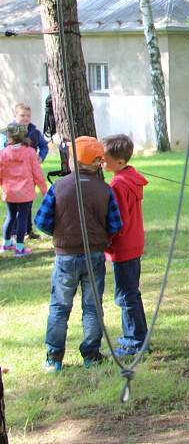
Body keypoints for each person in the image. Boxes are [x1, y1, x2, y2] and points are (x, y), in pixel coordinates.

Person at [35, 136, 123, 372]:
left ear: (74, 161)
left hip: (65, 257)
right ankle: (91, 355)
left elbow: (41, 221)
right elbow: (115, 224)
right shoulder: (105, 190)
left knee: (59, 307)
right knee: (92, 307)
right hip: (94, 256)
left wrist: (60, 231)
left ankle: (54, 358)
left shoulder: (58, 187)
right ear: (96, 163)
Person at [102, 134, 149, 357]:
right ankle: (140, 337)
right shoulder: (130, 178)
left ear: (119, 162)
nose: (101, 162)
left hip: (123, 247)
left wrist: (106, 242)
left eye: (105, 159)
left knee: (125, 296)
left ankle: (133, 342)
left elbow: (118, 221)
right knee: (131, 293)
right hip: (133, 244)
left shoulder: (118, 184)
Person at [0, 123, 47, 256]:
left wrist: (3, 185)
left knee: (10, 216)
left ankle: (6, 243)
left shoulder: (3, 153)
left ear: (10, 138)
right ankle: (19, 248)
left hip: (9, 192)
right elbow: (38, 174)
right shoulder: (30, 152)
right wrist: (44, 192)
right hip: (25, 193)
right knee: (22, 218)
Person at [11, 103, 49, 240]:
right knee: (15, 203)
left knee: (28, 201)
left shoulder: (35, 132)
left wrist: (40, 157)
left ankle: (27, 230)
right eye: (22, 115)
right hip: (14, 174)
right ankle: (14, 231)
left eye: (28, 115)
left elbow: (44, 146)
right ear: (15, 116)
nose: (26, 118)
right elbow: (4, 150)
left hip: (30, 173)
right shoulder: (10, 132)